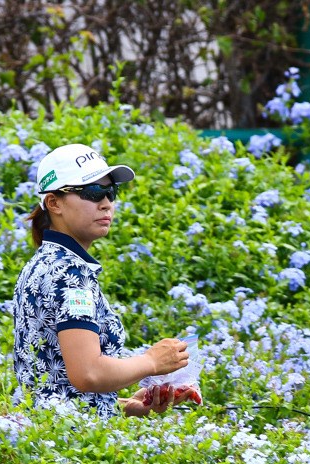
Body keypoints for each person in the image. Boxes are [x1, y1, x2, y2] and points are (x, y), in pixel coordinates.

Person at [12, 143, 189, 417]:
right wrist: (151, 362)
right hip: (67, 445)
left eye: (110, 192)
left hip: (48, 433)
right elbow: (87, 373)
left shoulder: (44, 262)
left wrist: (128, 406)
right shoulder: (69, 273)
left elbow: (56, 389)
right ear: (53, 203)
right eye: (92, 192)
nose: (106, 203)